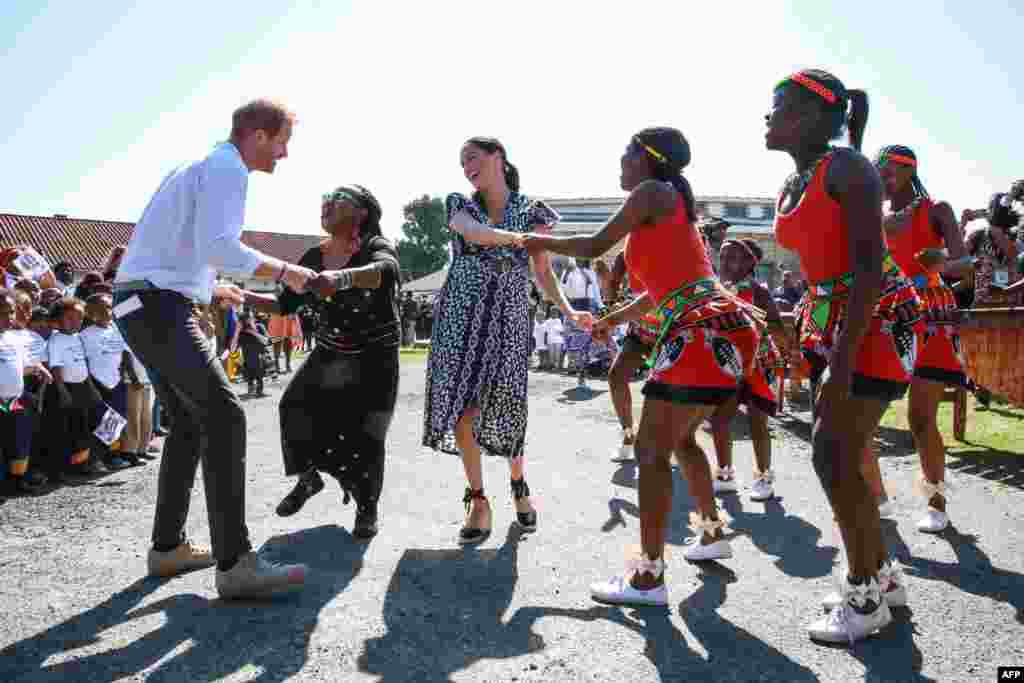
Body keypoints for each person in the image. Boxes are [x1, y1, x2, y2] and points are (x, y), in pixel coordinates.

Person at [523, 127, 760, 607]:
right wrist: (611, 320)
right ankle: (711, 533)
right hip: (717, 326)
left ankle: (647, 578)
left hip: (698, 332)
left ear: (647, 159)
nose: (620, 162)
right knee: (681, 441)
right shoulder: (671, 207)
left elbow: (591, 246)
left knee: (651, 452)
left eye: (626, 153)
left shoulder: (652, 192)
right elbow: (657, 293)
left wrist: (534, 241)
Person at [113, 98, 314, 599]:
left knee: (187, 421)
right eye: (283, 140)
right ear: (259, 135)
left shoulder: (201, 165)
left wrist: (209, 289)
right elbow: (219, 247)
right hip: (159, 306)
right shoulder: (229, 168)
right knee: (225, 415)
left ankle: (167, 548)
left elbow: (186, 247)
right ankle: (235, 562)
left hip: (143, 302)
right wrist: (287, 270)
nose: (285, 154)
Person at [767, 69, 922, 643]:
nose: (768, 116)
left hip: (874, 318)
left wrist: (845, 362)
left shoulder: (848, 169)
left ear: (810, 117)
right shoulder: (796, 182)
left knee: (831, 455)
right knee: (839, 454)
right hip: (841, 322)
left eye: (778, 106)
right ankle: (882, 578)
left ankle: (863, 599)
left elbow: (866, 270)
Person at [423, 136, 586, 545]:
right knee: (463, 405)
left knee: (508, 404)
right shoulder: (459, 203)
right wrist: (519, 239)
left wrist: (568, 312)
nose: (466, 168)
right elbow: (472, 233)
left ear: (498, 157)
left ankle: (517, 482)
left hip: (509, 317)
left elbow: (544, 273)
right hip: (460, 313)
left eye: (473, 158)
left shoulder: (532, 211)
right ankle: (478, 499)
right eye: (462, 162)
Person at [245, 184, 400, 540]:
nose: (327, 203)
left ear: (361, 212)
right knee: (294, 405)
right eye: (325, 199)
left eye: (338, 198)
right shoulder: (313, 256)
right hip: (331, 351)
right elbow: (286, 304)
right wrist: (241, 295)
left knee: (368, 434)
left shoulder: (375, 246)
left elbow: (385, 272)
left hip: (375, 356)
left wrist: (341, 279)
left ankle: (366, 509)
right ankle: (308, 478)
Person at [873, 145, 973, 533]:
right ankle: (876, 497)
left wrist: (931, 267)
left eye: (889, 171)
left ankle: (936, 503)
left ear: (908, 170)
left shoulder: (937, 209)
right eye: (877, 172)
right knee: (863, 414)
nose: (882, 178)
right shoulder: (878, 219)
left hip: (929, 314)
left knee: (920, 417)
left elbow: (964, 265)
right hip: (886, 314)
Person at [709, 238, 787, 501]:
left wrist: (757, 325)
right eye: (722, 256)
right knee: (719, 420)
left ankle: (764, 478)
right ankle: (724, 474)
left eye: (732, 257)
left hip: (758, 363)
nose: (725, 263)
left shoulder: (758, 292)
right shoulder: (713, 290)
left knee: (757, 422)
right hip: (727, 364)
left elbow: (777, 326)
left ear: (748, 264)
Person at [604, 251, 659, 461]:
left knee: (661, 389)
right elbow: (612, 283)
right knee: (616, 376)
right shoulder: (626, 253)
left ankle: (673, 441)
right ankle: (628, 435)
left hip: (671, 331)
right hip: (640, 329)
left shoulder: (671, 245)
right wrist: (611, 305)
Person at [0, 289, 53, 494]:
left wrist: (38, 368)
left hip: (14, 399)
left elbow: (19, 366)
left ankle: (16, 480)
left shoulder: (13, 339)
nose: (9, 317)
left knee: (18, 439)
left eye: (11, 312)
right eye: (3, 313)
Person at [81, 293, 136, 468]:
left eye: (110, 306)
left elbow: (125, 354)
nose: (108, 310)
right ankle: (95, 459)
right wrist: (91, 384)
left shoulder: (116, 328)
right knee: (100, 422)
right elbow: (84, 361)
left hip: (116, 382)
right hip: (97, 385)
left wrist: (131, 376)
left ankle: (111, 457)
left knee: (116, 421)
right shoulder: (85, 335)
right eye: (103, 307)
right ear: (90, 313)